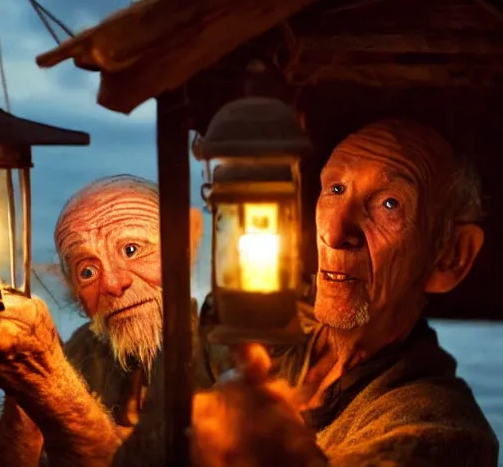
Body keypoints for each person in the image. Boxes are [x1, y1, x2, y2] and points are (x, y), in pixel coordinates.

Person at [191, 119, 498, 466]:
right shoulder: (266, 325)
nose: (335, 233)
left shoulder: (439, 434)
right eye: (335, 190)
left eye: (389, 204)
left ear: (450, 257)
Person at [0, 174, 209, 466]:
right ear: (75, 295)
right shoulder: (84, 351)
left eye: (132, 250)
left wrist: (49, 383)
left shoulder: (228, 352)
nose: (112, 284)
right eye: (87, 271)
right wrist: (25, 392)